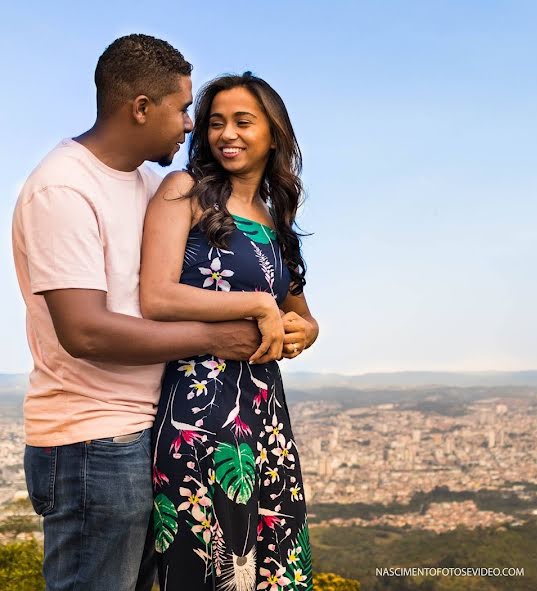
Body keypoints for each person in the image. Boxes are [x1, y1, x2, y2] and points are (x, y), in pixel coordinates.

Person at [10, 34, 298, 591]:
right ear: (141, 108)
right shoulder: (63, 189)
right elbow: (86, 332)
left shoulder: (152, 184)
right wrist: (215, 338)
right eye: (184, 108)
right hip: (91, 438)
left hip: (151, 426)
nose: (192, 125)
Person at [140, 72, 318, 590]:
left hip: (267, 418)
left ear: (274, 134)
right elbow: (156, 295)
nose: (227, 134)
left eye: (243, 121)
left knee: (274, 568)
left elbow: (303, 315)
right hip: (198, 413)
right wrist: (258, 303)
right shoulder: (185, 190)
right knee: (212, 567)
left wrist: (302, 332)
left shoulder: (275, 215)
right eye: (216, 123)